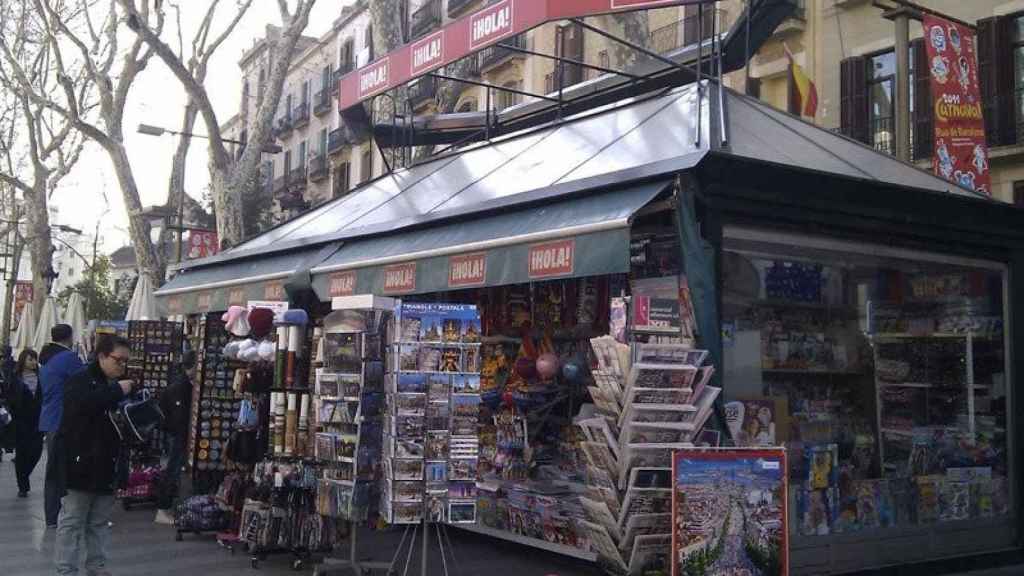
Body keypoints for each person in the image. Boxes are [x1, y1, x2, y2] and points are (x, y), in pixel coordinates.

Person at [55, 335, 133, 576]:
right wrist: (116, 391)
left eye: (125, 362)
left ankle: (97, 568)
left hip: (106, 466)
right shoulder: (80, 381)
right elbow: (82, 407)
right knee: (72, 522)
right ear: (101, 356)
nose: (122, 366)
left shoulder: (116, 387)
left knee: (99, 523)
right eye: (118, 360)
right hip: (80, 465)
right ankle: (66, 570)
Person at [39, 324, 85, 528]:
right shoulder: (68, 358)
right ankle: (68, 514)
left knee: (53, 469)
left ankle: (51, 516)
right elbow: (87, 382)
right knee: (66, 468)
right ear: (70, 337)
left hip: (49, 419)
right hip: (64, 421)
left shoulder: (46, 359)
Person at [153, 348, 195, 524]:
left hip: (175, 434)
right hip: (176, 435)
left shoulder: (181, 384)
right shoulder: (181, 387)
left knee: (173, 470)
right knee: (172, 470)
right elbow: (178, 417)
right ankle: (163, 509)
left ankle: (166, 507)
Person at [11, 349, 44, 497]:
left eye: (35, 359)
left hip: (37, 420)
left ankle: (24, 475)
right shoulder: (15, 377)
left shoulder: (41, 376)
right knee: (22, 453)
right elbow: (9, 397)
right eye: (30, 359)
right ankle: (22, 486)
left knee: (36, 452)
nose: (33, 362)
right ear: (23, 360)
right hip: (20, 421)